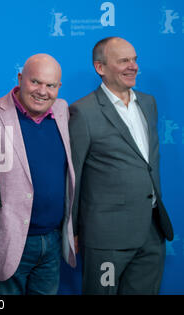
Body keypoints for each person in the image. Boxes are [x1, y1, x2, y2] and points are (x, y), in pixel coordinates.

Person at [69, 36, 174, 295]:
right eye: (124, 60)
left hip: (151, 232)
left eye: (135, 59)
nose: (133, 66)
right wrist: (71, 230)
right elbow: (74, 176)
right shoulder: (83, 112)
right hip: (107, 238)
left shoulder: (148, 103)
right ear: (100, 68)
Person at [0, 54, 76, 295]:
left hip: (52, 240)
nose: (42, 91)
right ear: (20, 79)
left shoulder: (62, 111)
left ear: (58, 87)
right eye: (35, 82)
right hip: (9, 239)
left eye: (50, 85)